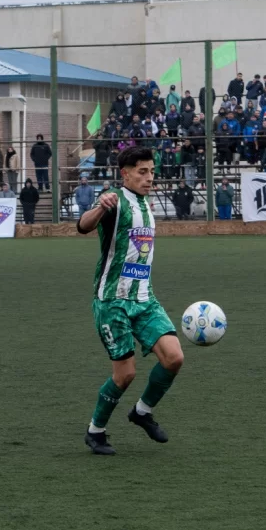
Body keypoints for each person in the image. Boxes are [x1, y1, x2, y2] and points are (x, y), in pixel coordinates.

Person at [77, 146, 184, 456]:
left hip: (144, 299)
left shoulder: (146, 204)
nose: (150, 178)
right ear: (125, 174)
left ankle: (142, 412)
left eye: (152, 171)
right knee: (125, 374)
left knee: (174, 358)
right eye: (142, 172)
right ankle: (95, 432)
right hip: (113, 302)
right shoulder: (114, 200)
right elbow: (83, 225)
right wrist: (100, 206)